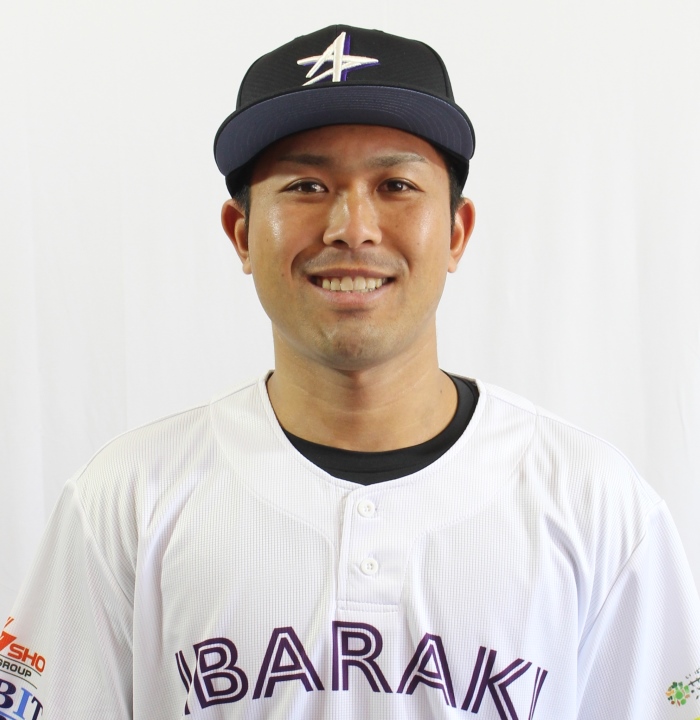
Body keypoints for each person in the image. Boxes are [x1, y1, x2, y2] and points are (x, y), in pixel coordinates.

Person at [2, 24, 699, 720]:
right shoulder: (125, 502)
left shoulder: (596, 506)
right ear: (241, 234)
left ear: (456, 233)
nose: (352, 227)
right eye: (306, 185)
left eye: (396, 184)